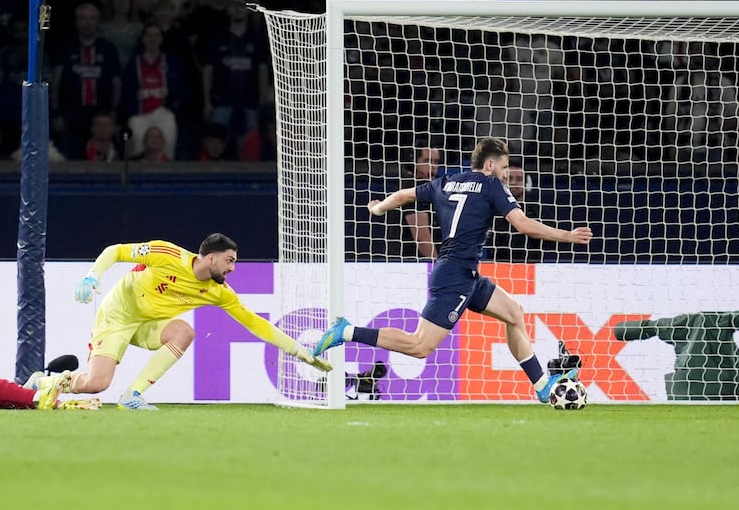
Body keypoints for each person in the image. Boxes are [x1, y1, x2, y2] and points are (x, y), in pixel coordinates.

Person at [313, 137, 594, 404]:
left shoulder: (445, 182)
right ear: (489, 165)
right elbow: (523, 225)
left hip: (465, 274)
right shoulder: (491, 184)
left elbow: (401, 196)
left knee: (514, 313)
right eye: (505, 167)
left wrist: (378, 209)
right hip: (455, 276)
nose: (506, 174)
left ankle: (542, 387)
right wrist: (567, 236)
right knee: (419, 346)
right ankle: (346, 331)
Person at [57, 233, 331, 410]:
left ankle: (132, 396)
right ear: (211, 257)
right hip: (118, 316)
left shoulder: (219, 292)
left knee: (184, 332)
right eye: (229, 261)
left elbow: (255, 323)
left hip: (149, 324)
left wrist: (300, 352)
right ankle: (47, 383)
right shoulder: (166, 254)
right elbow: (115, 251)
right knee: (96, 383)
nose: (232, 268)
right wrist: (93, 276)